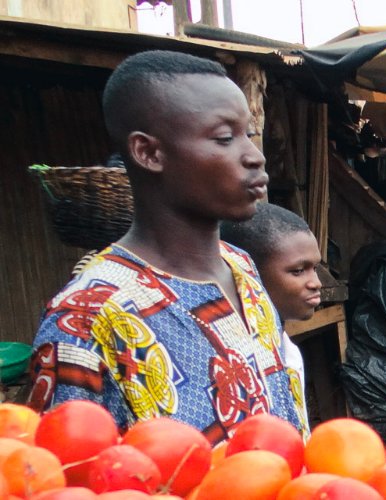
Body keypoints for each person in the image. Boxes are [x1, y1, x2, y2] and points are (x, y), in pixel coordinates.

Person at [26, 50, 306, 440]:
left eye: (248, 134)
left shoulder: (241, 266)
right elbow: (66, 466)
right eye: (225, 138)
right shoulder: (86, 319)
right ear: (149, 153)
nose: (254, 157)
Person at [219, 202, 322, 432]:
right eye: (298, 271)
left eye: (315, 268)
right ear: (250, 273)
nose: (316, 283)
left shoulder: (288, 350)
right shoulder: (237, 365)